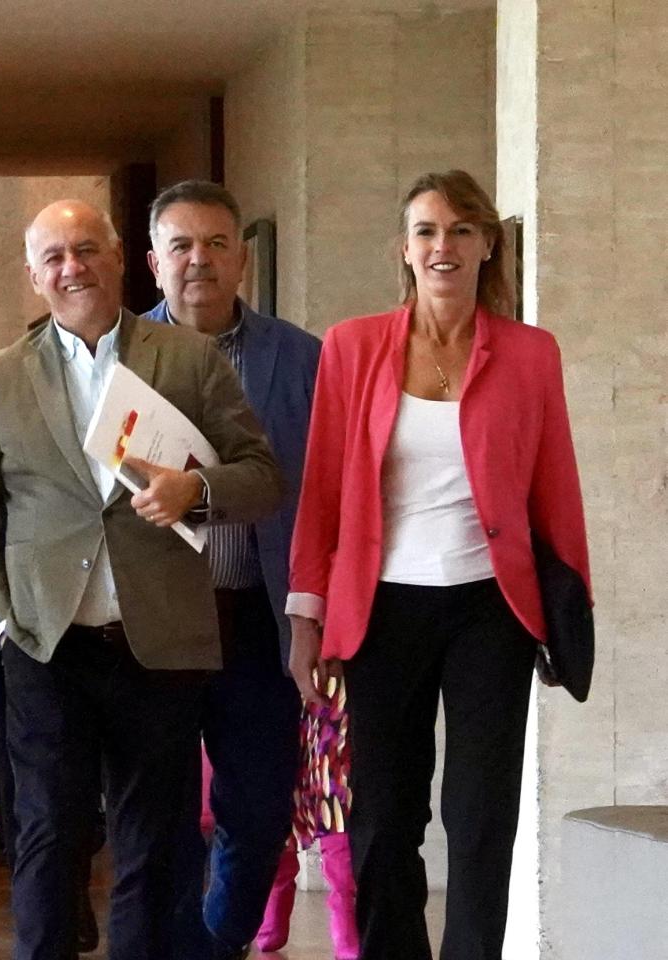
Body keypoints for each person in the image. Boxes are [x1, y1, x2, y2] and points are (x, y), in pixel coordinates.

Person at [0, 199, 283, 960]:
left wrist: (197, 490)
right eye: (55, 257)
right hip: (46, 645)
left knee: (154, 844)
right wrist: (1, 628)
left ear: (122, 257)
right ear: (34, 275)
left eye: (88, 249)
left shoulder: (190, 359)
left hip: (159, 644)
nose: (74, 268)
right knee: (47, 835)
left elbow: (262, 478)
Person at [286, 169, 590, 960]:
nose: (442, 246)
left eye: (460, 230)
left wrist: (570, 614)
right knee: (385, 817)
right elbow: (321, 490)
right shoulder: (353, 347)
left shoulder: (530, 354)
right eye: (426, 231)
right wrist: (306, 615)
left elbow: (556, 486)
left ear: (488, 244)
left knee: (481, 815)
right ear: (404, 248)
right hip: (381, 606)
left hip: (492, 607)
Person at [140, 180, 321, 958]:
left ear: (243, 259)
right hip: (156, 619)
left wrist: (314, 612)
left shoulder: (301, 359)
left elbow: (325, 492)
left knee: (259, 808)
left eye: (216, 244)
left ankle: (216, 946)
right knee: (162, 809)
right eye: (180, 245)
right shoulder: (115, 359)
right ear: (154, 262)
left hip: (257, 614)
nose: (199, 261)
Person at [252, 673, 357, 959]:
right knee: (285, 792)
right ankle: (274, 916)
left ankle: (346, 931)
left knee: (334, 787)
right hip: (286, 676)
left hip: (333, 675)